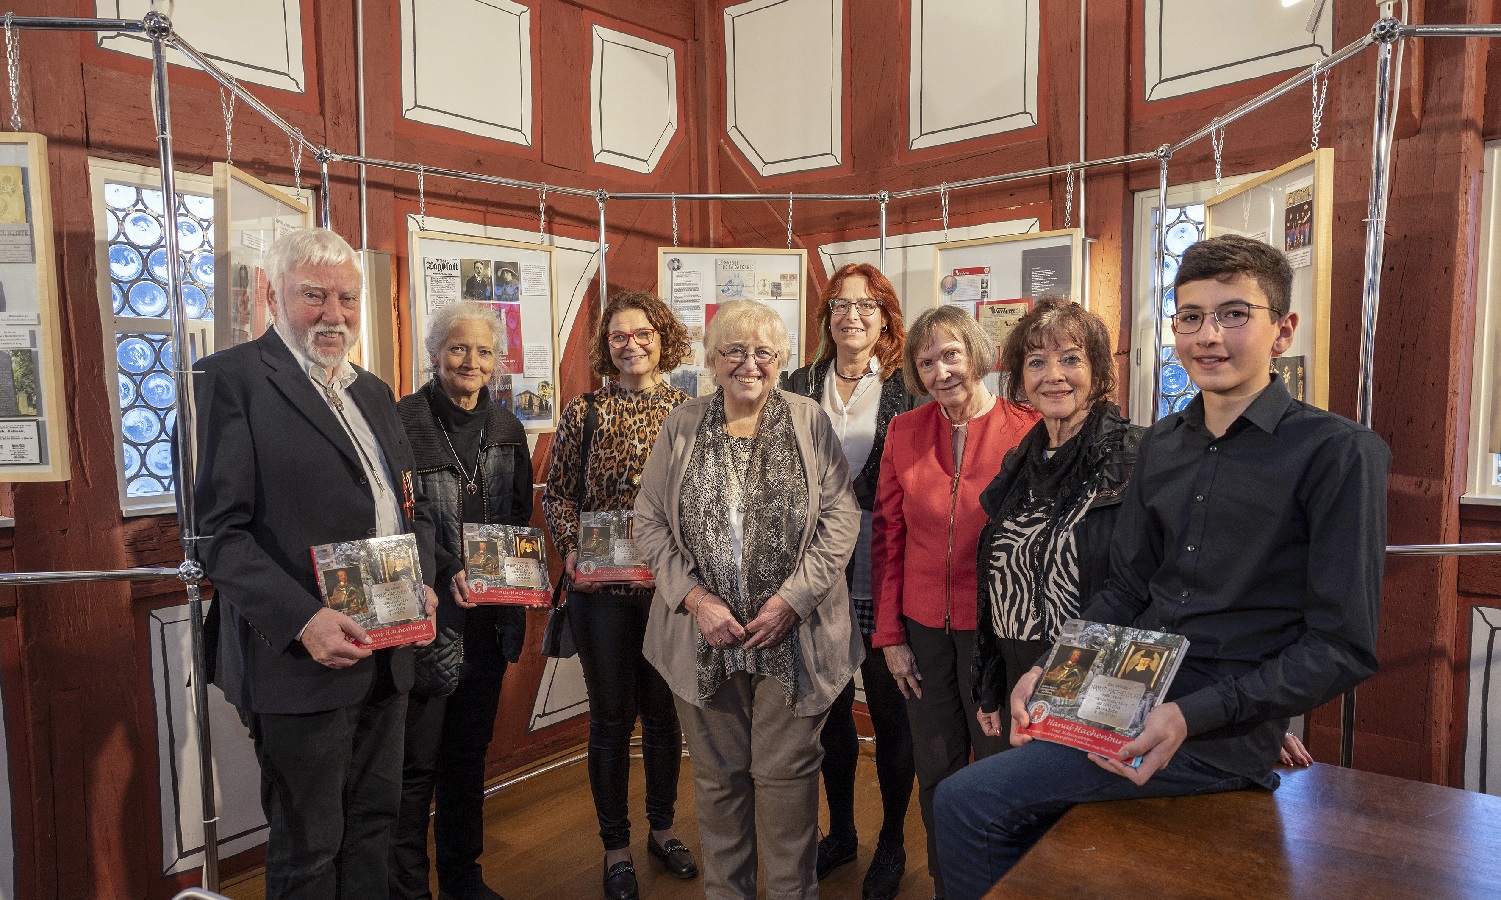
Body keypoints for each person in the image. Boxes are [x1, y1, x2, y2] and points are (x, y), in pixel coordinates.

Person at [933, 234, 1391, 900]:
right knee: (1007, 811)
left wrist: (1190, 715)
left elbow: (1340, 649)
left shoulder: (1337, 453)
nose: (1209, 335)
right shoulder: (1164, 444)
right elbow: (1125, 588)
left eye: (1234, 314)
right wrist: (1045, 667)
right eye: (1190, 317)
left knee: (965, 803)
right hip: (1131, 693)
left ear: (1282, 330)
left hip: (1221, 730)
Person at [193, 227, 439, 899]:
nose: (334, 315)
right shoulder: (230, 380)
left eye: (346, 299)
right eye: (314, 297)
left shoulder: (376, 392)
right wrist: (305, 621)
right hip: (301, 663)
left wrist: (418, 579)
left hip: (387, 654)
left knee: (373, 829)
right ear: (272, 294)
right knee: (308, 849)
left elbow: (400, 505)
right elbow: (219, 534)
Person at [635, 299, 863, 899]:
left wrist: (793, 599)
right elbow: (649, 522)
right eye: (734, 350)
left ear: (783, 360)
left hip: (796, 637)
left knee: (788, 786)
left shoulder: (809, 420)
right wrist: (694, 600)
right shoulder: (682, 424)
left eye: (764, 351)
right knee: (717, 784)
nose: (749, 363)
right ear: (711, 361)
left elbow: (841, 518)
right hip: (702, 639)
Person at [870, 304, 1038, 899]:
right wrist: (889, 636)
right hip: (922, 632)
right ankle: (949, 883)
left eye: (950, 355)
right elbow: (888, 538)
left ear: (976, 355)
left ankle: (1000, 886)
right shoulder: (904, 431)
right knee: (936, 766)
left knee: (997, 764)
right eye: (925, 361)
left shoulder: (1028, 428)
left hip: (1000, 632)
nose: (940, 371)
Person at [542, 290, 697, 900]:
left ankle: (662, 829)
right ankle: (615, 848)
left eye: (642, 334)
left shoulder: (690, 411)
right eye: (618, 337)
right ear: (606, 347)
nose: (631, 345)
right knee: (610, 719)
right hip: (600, 591)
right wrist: (570, 550)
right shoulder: (583, 411)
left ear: (663, 338)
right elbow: (557, 496)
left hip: (668, 589)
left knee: (663, 716)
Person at [780, 263, 917, 900]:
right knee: (830, 709)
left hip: (883, 563)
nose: (850, 315)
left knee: (890, 713)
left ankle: (892, 839)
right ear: (826, 317)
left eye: (865, 305)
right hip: (812, 569)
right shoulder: (797, 384)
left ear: (886, 318)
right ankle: (843, 832)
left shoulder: (907, 388)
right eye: (838, 304)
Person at [390, 301, 533, 900]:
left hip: (491, 619)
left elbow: (518, 515)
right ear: (434, 354)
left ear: (496, 361)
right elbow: (399, 515)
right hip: (428, 615)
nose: (470, 361)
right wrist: (446, 569)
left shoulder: (507, 428)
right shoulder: (405, 420)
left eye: (482, 351)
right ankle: (407, 888)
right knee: (416, 766)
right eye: (457, 348)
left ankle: (462, 876)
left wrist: (514, 576)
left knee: (467, 758)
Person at [972, 297, 1144, 744]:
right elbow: (996, 590)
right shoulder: (1017, 465)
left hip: (1093, 668)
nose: (1053, 375)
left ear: (1099, 371)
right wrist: (990, 686)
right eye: (1036, 362)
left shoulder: (1135, 457)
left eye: (1071, 359)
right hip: (1016, 667)